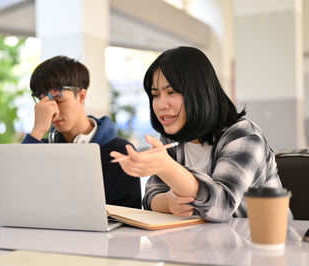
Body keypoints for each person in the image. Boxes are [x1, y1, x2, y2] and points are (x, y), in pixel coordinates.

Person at [110, 46, 285, 222]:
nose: (161, 104)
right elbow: (151, 197)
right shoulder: (173, 137)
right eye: (155, 95)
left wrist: (166, 167)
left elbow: (222, 207)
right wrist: (169, 203)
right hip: (205, 243)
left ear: (199, 92)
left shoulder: (244, 137)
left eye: (171, 92)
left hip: (265, 241)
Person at [0, 56, 141, 209]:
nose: (52, 111)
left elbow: (131, 221)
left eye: (58, 100)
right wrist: (37, 131)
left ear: (82, 96)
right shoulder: (39, 149)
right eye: (43, 103)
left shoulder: (121, 152)